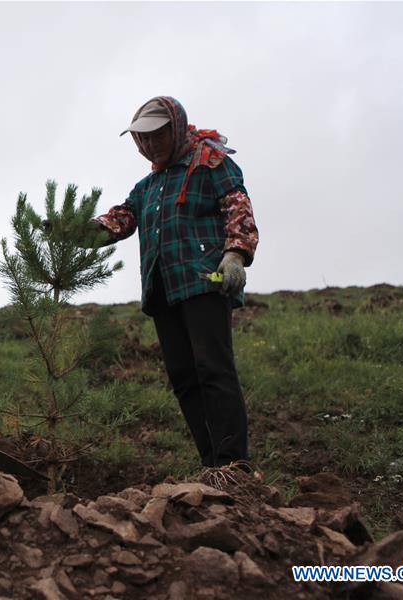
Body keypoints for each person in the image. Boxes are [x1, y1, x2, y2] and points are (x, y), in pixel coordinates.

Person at [94, 96, 259, 471]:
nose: (149, 145)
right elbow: (122, 218)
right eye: (142, 139)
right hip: (163, 289)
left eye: (156, 135)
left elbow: (237, 205)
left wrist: (236, 254)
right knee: (184, 378)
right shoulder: (147, 187)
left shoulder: (210, 164)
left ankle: (234, 465)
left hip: (202, 282)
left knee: (213, 370)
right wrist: (81, 231)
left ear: (176, 128)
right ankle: (212, 464)